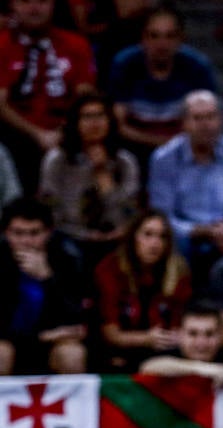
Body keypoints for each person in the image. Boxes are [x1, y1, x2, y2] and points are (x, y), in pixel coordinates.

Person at [146, 90, 223, 291]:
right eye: (197, 118)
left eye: (211, 117)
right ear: (183, 123)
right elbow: (162, 215)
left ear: (221, 120)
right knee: (172, 243)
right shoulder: (163, 159)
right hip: (184, 236)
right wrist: (200, 231)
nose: (205, 125)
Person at [0, 0, 97, 189]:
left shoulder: (76, 44)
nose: (34, 8)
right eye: (25, 1)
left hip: (68, 134)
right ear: (12, 6)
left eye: (42, 1)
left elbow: (85, 97)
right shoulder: (2, 45)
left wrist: (63, 132)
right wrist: (38, 134)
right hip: (16, 136)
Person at [37, 91, 140, 265]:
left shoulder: (125, 162)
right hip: (70, 235)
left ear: (110, 121)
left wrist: (103, 176)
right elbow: (50, 214)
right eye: (87, 117)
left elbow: (128, 216)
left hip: (114, 237)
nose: (94, 123)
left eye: (100, 116)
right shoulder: (57, 161)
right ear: (75, 123)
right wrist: (85, 235)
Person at [107, 3, 217, 163]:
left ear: (181, 39)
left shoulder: (197, 67)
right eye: (154, 35)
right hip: (133, 149)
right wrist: (161, 144)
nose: (162, 44)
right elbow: (119, 126)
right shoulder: (125, 64)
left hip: (184, 150)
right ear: (143, 38)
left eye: (170, 36)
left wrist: (171, 147)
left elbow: (207, 122)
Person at [94, 209, 190, 372]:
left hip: (164, 351)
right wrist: (146, 339)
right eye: (148, 234)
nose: (155, 243)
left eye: (162, 237)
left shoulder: (179, 270)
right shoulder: (110, 269)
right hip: (118, 352)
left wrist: (177, 335)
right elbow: (110, 334)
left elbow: (182, 320)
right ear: (133, 237)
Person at [0, 196, 85, 375]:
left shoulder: (68, 259)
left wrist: (47, 278)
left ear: (48, 232)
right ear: (6, 233)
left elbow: (77, 317)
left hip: (53, 344)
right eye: (18, 233)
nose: (26, 241)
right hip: (11, 341)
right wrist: (40, 337)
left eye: (34, 233)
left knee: (72, 354)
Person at [138, 300, 223, 382]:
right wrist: (204, 369)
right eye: (193, 334)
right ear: (180, 334)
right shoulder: (168, 356)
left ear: (220, 335)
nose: (201, 342)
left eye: (209, 334)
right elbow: (147, 368)